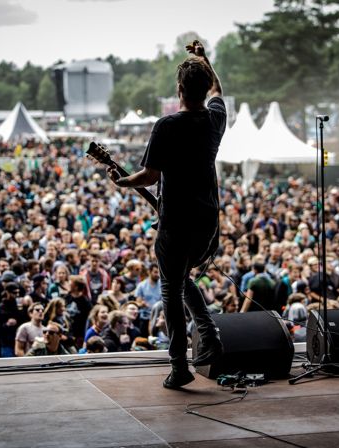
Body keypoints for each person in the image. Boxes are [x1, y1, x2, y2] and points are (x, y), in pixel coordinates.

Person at [108, 39, 225, 389]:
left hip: (175, 223)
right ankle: (209, 334)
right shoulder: (216, 119)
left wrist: (122, 180)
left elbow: (149, 176)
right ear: (205, 89)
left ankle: (179, 366)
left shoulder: (166, 126)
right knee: (182, 278)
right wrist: (204, 59)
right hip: (206, 224)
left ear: (179, 91)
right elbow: (219, 87)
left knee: (170, 291)